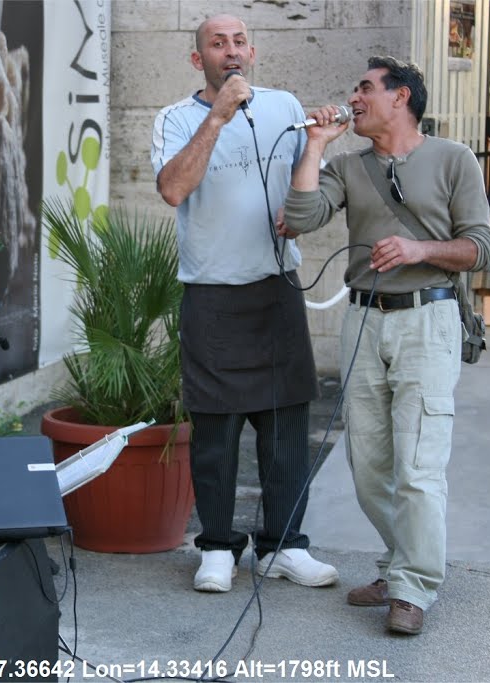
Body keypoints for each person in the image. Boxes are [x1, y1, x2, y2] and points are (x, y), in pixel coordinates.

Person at [283, 57, 490, 634]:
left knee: (419, 463)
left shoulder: (453, 159)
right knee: (369, 464)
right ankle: (401, 563)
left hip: (428, 321)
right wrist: (315, 145)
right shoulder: (348, 166)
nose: (354, 97)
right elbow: (298, 219)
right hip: (363, 321)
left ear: (400, 98)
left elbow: (482, 246)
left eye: (366, 88)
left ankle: (412, 588)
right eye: (353, 88)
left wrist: (419, 250)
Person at [150, 14, 338, 593]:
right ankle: (216, 548)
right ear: (197, 59)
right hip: (211, 292)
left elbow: (309, 192)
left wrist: (316, 147)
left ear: (251, 51)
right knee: (215, 431)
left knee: (287, 425)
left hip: (275, 285)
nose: (229, 51)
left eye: (238, 42)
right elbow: (174, 188)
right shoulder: (177, 119)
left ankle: (285, 546)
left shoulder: (284, 106)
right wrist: (219, 116)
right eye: (216, 43)